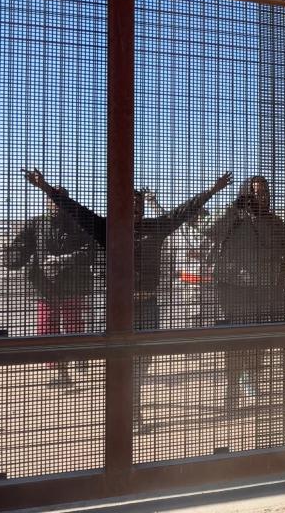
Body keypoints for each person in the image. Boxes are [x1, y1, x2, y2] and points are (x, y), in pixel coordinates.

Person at [23, 168, 232, 423]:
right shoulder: (107, 228)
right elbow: (76, 210)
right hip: (115, 307)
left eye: (138, 204)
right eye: (129, 203)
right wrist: (46, 188)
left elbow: (183, 212)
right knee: (116, 358)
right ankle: (121, 412)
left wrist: (212, 190)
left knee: (142, 359)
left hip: (147, 303)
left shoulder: (155, 227)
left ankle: (131, 407)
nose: (134, 207)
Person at [206, 176, 285, 409]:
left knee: (261, 340)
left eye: (266, 193)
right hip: (233, 288)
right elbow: (209, 230)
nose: (262, 197)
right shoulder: (235, 217)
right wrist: (234, 207)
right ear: (246, 194)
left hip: (264, 288)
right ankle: (232, 388)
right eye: (257, 193)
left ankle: (251, 378)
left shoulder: (273, 221)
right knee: (235, 340)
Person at [4, 184, 94, 387]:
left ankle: (79, 356)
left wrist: (65, 260)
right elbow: (21, 249)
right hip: (45, 286)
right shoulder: (35, 224)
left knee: (74, 328)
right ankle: (62, 374)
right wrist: (11, 257)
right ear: (47, 202)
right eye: (52, 199)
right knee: (47, 330)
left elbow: (91, 252)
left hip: (73, 285)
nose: (55, 204)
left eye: (60, 200)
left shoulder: (80, 223)